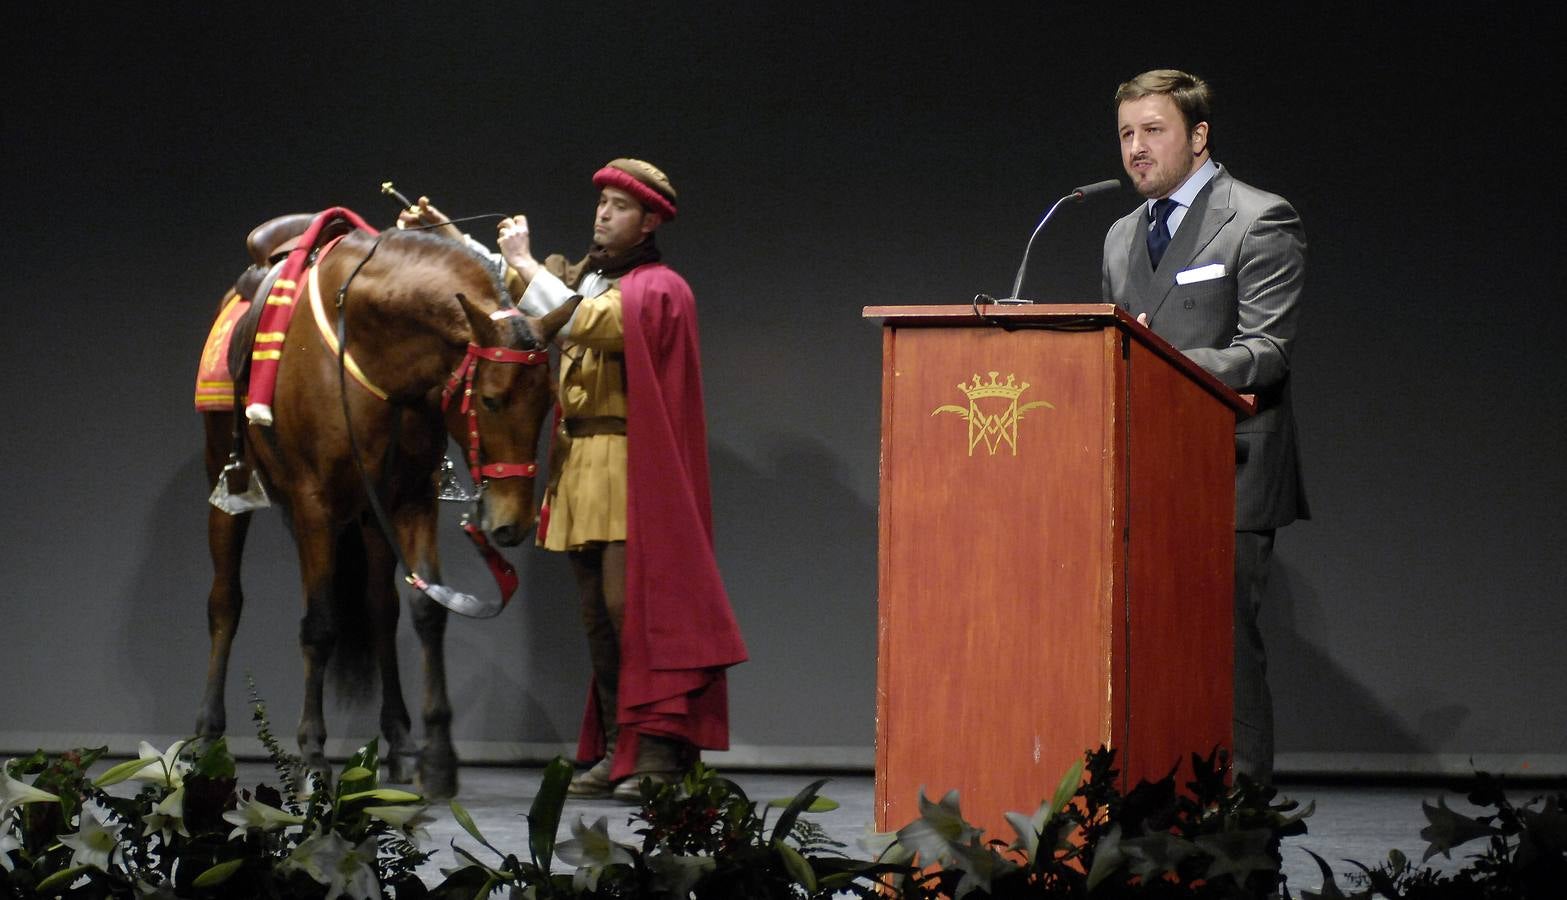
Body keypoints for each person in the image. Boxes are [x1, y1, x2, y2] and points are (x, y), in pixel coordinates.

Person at [402, 159, 747, 801]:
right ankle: (621, 746)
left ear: (648, 222)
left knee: (631, 609)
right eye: (601, 203)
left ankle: (658, 751)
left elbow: (587, 321)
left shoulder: (659, 289)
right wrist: (445, 232)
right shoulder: (586, 279)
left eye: (618, 206)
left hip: (630, 463)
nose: (602, 214)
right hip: (580, 462)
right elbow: (511, 285)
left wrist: (529, 263)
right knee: (596, 616)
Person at [1100, 70, 1307, 783]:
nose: (1135, 148)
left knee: (1222, 652)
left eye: (1152, 130)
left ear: (1197, 136)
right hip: (1144, 470)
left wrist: (1162, 357)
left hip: (1227, 469)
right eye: (1126, 133)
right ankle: (1150, 799)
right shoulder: (1120, 235)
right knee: (1146, 645)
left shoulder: (1257, 217)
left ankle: (1243, 819)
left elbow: (1267, 353)